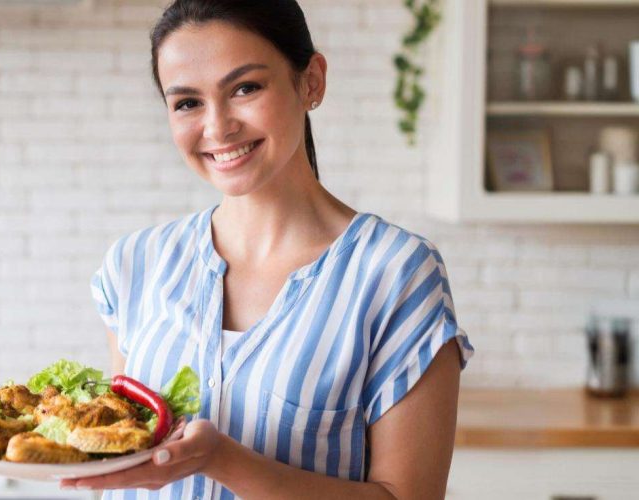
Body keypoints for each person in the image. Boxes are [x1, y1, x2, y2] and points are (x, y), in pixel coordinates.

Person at [61, 1, 475, 498]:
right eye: (187, 102)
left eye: (245, 88)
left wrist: (224, 461)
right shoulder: (136, 264)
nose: (217, 127)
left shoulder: (395, 273)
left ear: (311, 82)